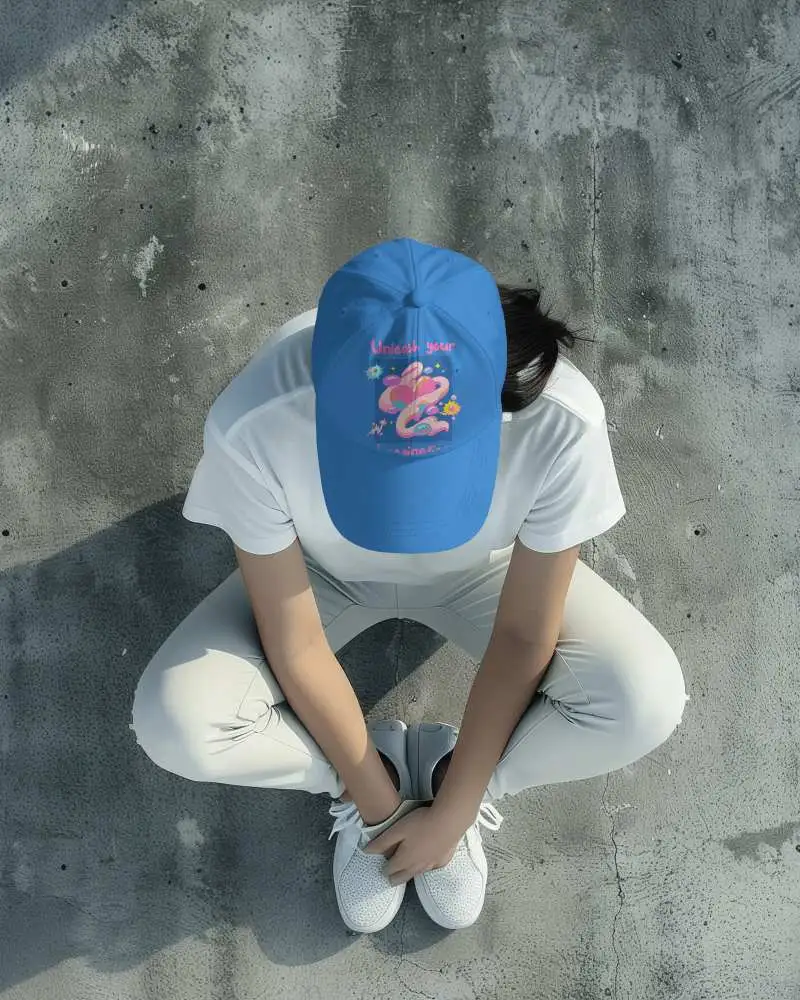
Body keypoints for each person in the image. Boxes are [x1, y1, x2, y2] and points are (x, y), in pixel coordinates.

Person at [130, 237, 689, 934]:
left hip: (487, 573)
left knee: (646, 701)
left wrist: (452, 812)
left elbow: (523, 633)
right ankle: (382, 779)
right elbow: (295, 639)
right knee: (172, 723)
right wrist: (379, 803)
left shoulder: (561, 417)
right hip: (318, 575)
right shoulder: (256, 420)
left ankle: (462, 776)